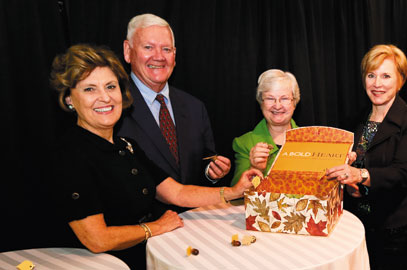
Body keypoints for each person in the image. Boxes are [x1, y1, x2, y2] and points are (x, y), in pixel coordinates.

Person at [49, 44, 262, 269]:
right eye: (89, 89)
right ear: (70, 99)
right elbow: (97, 239)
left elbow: (177, 192)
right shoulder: (70, 154)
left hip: (142, 254)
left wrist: (234, 191)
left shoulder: (126, 145)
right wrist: (156, 227)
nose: (105, 97)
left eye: (111, 87)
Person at [326, 44, 407, 269]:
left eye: (386, 76)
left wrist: (359, 174)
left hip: (395, 231)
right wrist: (350, 182)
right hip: (355, 224)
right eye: (371, 75)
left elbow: (405, 173)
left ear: (400, 80)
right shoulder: (356, 119)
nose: (377, 83)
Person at [116, 13, 230, 188]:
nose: (159, 56)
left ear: (174, 56)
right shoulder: (113, 107)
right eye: (148, 47)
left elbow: (205, 161)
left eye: (166, 49)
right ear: (127, 51)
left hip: (193, 213)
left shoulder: (195, 108)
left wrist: (211, 172)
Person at [231, 69, 300, 185]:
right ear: (261, 102)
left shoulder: (313, 140)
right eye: (270, 98)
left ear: (294, 102)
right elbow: (236, 194)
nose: (277, 106)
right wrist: (255, 169)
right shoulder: (244, 143)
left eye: (284, 99)